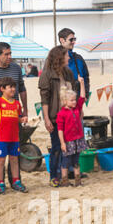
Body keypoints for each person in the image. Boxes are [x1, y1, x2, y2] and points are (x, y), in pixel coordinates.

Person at [0, 42, 28, 190]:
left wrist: (25, 110)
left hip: (15, 110)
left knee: (15, 151)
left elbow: (22, 88)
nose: (10, 57)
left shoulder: (16, 68)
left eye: (10, 53)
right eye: (6, 54)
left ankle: (16, 181)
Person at [0, 77, 28, 194]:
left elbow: (16, 118)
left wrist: (22, 119)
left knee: (14, 160)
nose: (13, 89)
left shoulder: (17, 104)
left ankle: (16, 181)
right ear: (2, 89)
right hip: (2, 138)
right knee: (0, 161)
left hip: (14, 138)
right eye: (10, 87)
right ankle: (0, 183)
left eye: (14, 87)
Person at [38, 45, 76, 187]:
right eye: (66, 55)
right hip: (55, 118)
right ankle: (54, 176)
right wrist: (47, 119)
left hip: (70, 117)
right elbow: (44, 99)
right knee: (56, 148)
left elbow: (74, 93)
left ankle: (65, 175)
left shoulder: (68, 73)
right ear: (60, 57)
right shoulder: (47, 74)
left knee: (69, 148)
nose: (69, 57)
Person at [56, 76, 86, 187]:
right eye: (72, 100)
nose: (74, 102)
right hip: (68, 141)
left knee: (76, 161)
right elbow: (60, 130)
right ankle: (65, 181)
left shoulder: (77, 108)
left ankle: (78, 181)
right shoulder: (61, 114)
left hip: (78, 140)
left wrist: (82, 83)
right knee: (66, 161)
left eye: (74, 100)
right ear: (65, 101)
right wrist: (62, 143)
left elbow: (82, 97)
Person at [58, 28, 90, 100]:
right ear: (62, 40)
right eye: (71, 39)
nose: (73, 42)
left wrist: (86, 94)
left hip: (77, 101)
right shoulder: (54, 59)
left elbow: (86, 78)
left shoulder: (79, 58)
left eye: (74, 39)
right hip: (61, 102)